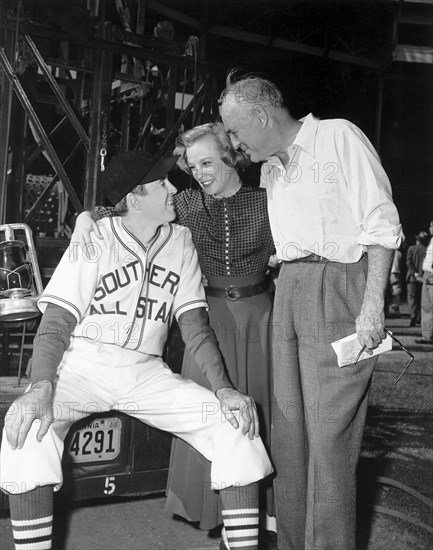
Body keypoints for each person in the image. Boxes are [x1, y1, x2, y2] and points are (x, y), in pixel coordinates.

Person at [0, 151, 273, 550]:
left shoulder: (180, 242)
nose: (172, 190)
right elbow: (56, 322)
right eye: (161, 184)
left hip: (146, 372)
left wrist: (224, 388)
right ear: (134, 197)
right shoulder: (95, 236)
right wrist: (41, 385)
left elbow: (196, 328)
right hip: (82, 367)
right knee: (25, 432)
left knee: (234, 423)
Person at [218, 71, 403, 550]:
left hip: (339, 286)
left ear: (261, 115)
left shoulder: (338, 136)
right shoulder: (270, 167)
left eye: (236, 132)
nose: (235, 144)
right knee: (291, 436)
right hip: (292, 289)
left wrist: (371, 308)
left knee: (329, 441)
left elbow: (380, 223)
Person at [72, 122, 277, 548]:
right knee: (209, 410)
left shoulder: (267, 201)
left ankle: (264, 514)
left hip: (262, 316)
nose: (199, 172)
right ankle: (212, 511)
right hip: (207, 314)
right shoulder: (183, 204)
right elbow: (121, 207)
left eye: (208, 162)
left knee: (262, 410)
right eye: (192, 164)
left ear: (231, 156)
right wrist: (83, 218)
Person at [406, 230, 429, 326]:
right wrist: (420, 273)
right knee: (420, 299)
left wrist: (414, 273)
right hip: (423, 277)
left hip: (412, 278)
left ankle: (413, 318)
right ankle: (419, 318)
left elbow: (408, 262)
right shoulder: (427, 250)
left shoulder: (411, 249)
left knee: (412, 299)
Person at [415, 219, 433, 344]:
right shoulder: (431, 240)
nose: (430, 227)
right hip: (427, 276)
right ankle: (427, 336)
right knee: (426, 307)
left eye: (431, 225)